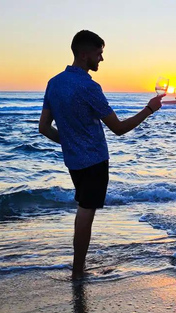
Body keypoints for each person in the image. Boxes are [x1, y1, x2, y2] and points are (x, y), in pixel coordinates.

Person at [39, 30, 164, 279]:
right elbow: (118, 128)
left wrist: (69, 143)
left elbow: (44, 128)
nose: (101, 60)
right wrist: (150, 108)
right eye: (99, 54)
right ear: (84, 55)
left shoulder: (54, 83)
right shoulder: (89, 86)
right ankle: (77, 271)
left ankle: (79, 267)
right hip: (95, 161)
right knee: (86, 212)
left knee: (83, 208)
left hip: (73, 161)